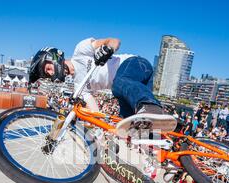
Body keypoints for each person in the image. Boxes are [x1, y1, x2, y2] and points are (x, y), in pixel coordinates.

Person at [28, 39, 176, 137]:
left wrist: (108, 48)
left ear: (53, 57)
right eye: (47, 75)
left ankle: (151, 106)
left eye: (48, 69)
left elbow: (115, 41)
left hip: (136, 65)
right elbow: (95, 112)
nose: (51, 74)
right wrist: (102, 130)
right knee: (129, 127)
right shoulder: (79, 87)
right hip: (131, 88)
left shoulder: (81, 51)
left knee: (118, 84)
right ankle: (172, 155)